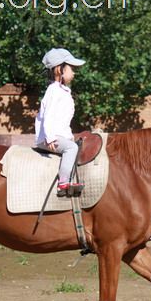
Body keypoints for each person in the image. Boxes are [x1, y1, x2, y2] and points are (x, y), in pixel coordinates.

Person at [35, 48, 86, 197]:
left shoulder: (62, 90)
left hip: (56, 135)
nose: (74, 73)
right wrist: (50, 137)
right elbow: (49, 116)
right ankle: (63, 183)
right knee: (71, 149)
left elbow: (62, 121)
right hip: (48, 137)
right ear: (59, 70)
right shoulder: (53, 91)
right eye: (71, 68)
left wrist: (68, 136)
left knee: (73, 145)